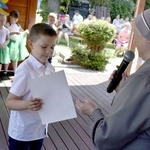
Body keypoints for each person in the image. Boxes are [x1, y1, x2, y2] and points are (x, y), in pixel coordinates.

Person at [76, 8, 150, 150]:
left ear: (147, 38)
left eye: (136, 34)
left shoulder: (143, 79)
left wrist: (93, 111)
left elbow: (107, 137)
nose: (133, 39)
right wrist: (125, 90)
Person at [5, 23, 57, 150]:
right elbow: (9, 102)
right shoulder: (25, 70)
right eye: (44, 47)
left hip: (39, 129)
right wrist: (27, 105)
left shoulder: (50, 68)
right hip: (22, 132)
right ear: (31, 44)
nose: (49, 52)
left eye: (52, 47)